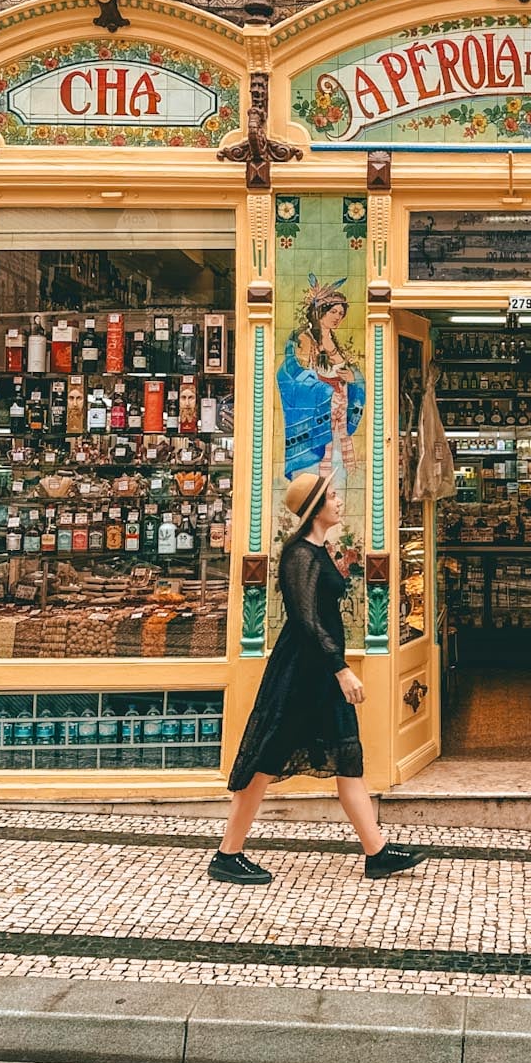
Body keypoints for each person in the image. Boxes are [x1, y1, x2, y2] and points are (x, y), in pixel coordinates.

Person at [208, 470, 423, 885]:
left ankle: (376, 852)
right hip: (303, 676)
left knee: (348, 760)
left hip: (321, 673)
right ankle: (227, 854)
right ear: (315, 508)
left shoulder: (317, 550)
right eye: (333, 496)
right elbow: (307, 621)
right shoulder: (300, 556)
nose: (340, 502)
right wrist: (341, 669)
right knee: (265, 760)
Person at [277, 276, 366, 477]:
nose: (337, 317)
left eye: (341, 314)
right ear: (320, 312)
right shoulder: (304, 338)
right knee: (317, 473)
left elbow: (352, 373)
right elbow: (292, 374)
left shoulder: (335, 341)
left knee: (337, 470)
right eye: (333, 311)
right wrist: (325, 390)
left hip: (339, 413)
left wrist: (354, 379)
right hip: (319, 413)